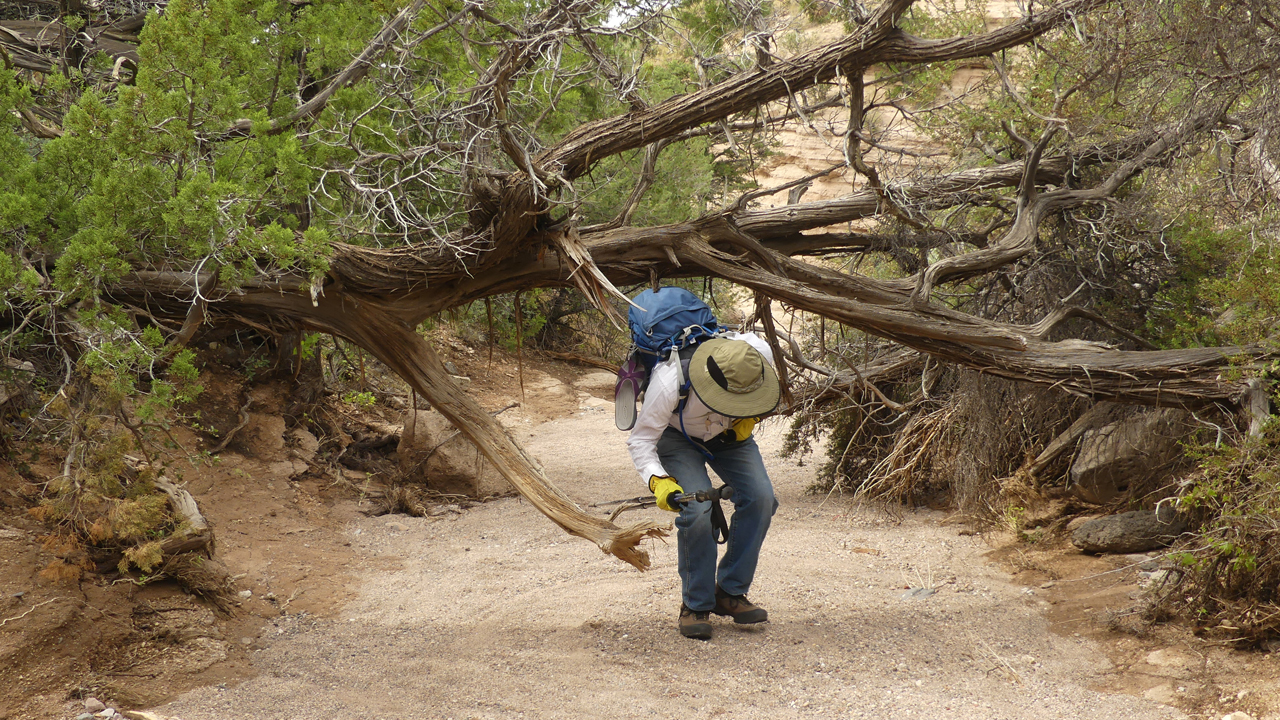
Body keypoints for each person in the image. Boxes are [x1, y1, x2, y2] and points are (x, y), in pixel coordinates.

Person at [627, 332, 781, 640]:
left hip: (730, 433)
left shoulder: (756, 355)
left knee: (762, 499)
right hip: (676, 436)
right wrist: (659, 482)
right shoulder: (671, 378)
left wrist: (746, 417)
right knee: (697, 509)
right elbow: (641, 440)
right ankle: (695, 605)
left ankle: (729, 592)